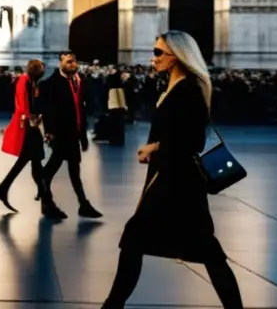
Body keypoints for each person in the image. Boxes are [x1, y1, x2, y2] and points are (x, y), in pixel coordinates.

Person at [101, 31, 243, 309]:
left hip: (176, 183)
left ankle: (112, 306)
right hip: (172, 179)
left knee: (135, 239)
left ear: (177, 56)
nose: (152, 58)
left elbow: (192, 140)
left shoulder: (187, 89)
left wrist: (155, 148)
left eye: (158, 52)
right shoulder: (175, 87)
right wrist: (156, 147)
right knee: (206, 250)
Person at [39, 52, 101, 219]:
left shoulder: (79, 82)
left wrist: (83, 136)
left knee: (73, 170)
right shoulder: (49, 84)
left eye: (74, 61)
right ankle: (50, 202)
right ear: (60, 63)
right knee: (52, 170)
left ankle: (81, 205)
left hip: (74, 134)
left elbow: (80, 110)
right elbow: (48, 111)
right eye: (68, 62)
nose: (72, 64)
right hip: (60, 134)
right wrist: (50, 132)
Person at [0, 59, 45, 213]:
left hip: (29, 123)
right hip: (28, 125)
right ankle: (43, 193)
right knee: (31, 158)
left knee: (33, 159)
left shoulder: (28, 81)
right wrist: (32, 119)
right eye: (41, 68)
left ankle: (5, 188)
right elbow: (24, 104)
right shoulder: (26, 81)